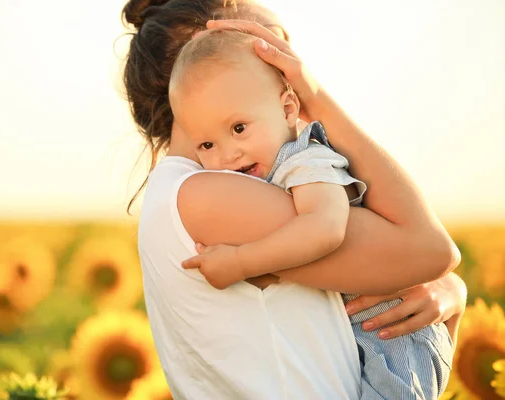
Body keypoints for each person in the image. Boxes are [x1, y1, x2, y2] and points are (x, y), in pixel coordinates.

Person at [121, 0, 467, 398]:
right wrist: (316, 99)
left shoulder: (219, 184)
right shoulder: (207, 197)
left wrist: (446, 291)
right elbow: (431, 251)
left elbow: (418, 273)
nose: (296, 65)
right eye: (278, 44)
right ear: (214, 44)